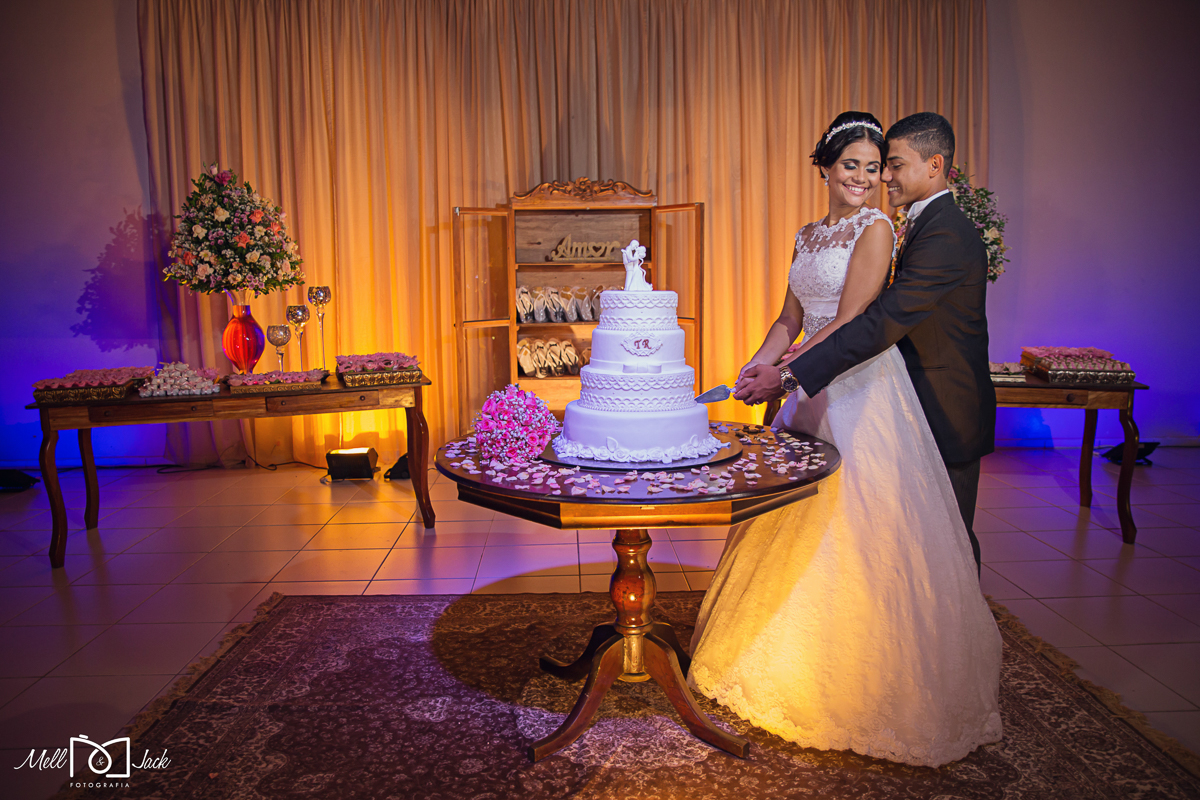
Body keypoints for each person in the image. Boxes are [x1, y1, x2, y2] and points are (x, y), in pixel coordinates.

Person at [688, 112, 1002, 767]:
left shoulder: (884, 227)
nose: (871, 177)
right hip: (817, 377)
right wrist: (760, 363)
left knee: (881, 535)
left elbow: (865, 320)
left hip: (864, 388)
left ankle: (905, 671)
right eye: (855, 165)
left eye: (880, 166)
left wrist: (787, 374)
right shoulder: (810, 234)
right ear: (825, 168)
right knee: (798, 516)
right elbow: (790, 317)